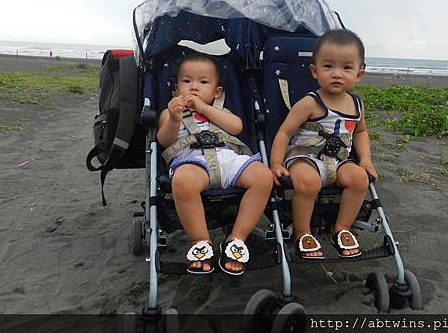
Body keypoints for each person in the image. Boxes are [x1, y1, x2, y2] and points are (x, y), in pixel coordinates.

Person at [157, 53, 273, 275]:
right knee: (182, 182)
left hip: (228, 158)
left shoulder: (221, 111)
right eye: (186, 81)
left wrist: (204, 108)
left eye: (203, 82)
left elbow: (237, 127)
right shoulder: (170, 113)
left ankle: (236, 239)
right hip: (192, 160)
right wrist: (173, 118)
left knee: (263, 177)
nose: (194, 87)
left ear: (217, 91)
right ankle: (201, 242)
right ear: (175, 89)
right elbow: (164, 141)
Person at [270, 29, 379, 260]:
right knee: (307, 182)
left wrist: (366, 160)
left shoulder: (357, 105)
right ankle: (303, 232)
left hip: (339, 161)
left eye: (346, 68)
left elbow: (360, 132)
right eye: (328, 66)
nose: (337, 74)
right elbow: (284, 132)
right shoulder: (310, 102)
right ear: (315, 71)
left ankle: (341, 227)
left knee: (359, 179)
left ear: (359, 74)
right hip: (305, 158)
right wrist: (276, 162)